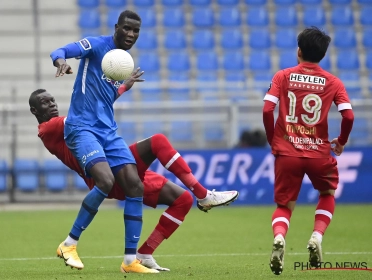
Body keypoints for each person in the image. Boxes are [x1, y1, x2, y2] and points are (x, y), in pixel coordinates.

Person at [29, 89, 239, 271]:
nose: (52, 105)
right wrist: (116, 90)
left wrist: (119, 90)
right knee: (157, 141)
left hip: (121, 165)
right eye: (45, 103)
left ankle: (144, 255)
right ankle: (204, 195)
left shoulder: (65, 124)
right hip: (109, 174)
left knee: (182, 200)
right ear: (35, 111)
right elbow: (89, 112)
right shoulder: (49, 129)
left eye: (52, 100)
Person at [49, 10, 152, 273]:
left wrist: (122, 88)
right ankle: (69, 243)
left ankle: (130, 261)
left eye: (136, 31)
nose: (131, 34)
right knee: (105, 181)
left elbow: (105, 99)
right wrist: (59, 60)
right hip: (82, 127)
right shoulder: (96, 46)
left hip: (107, 130)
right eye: (127, 29)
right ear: (117, 27)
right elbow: (59, 50)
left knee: (134, 185)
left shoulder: (121, 62)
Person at [262, 27, 354, 275]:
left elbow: (267, 109)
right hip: (319, 154)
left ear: (299, 50)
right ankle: (316, 236)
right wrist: (342, 141)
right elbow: (348, 114)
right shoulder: (333, 82)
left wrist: (274, 140)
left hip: (287, 153)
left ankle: (280, 237)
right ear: (322, 55)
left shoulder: (282, 76)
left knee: (284, 205)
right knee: (327, 192)